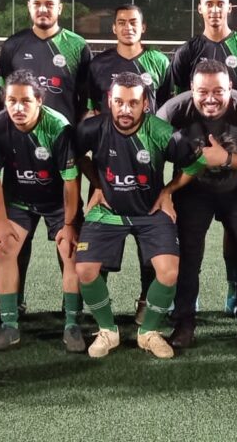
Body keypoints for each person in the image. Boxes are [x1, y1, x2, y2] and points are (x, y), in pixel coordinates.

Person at [74, 72, 204, 359]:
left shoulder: (160, 131)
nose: (125, 109)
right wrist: (97, 184)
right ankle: (107, 331)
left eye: (133, 103)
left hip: (150, 211)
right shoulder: (92, 128)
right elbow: (76, 155)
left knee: (169, 272)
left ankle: (149, 333)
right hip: (108, 211)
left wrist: (168, 190)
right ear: (109, 100)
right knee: (84, 270)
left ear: (145, 104)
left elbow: (197, 162)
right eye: (119, 102)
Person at [156, 59, 237, 349]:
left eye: (218, 91)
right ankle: (184, 321)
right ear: (191, 89)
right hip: (192, 191)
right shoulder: (172, 111)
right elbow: (150, 152)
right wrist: (164, 192)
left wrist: (227, 158)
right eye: (203, 91)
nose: (211, 98)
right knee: (188, 253)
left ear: (230, 87)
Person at [170, 0, 237, 315]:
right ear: (200, 9)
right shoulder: (187, 51)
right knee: (189, 241)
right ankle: (187, 304)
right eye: (209, 4)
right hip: (196, 157)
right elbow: (177, 103)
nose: (215, 9)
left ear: (229, 8)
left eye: (220, 4)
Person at [0, 0, 92, 313]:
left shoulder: (77, 46)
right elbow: (3, 97)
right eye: (37, 3)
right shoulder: (13, 46)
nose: (43, 9)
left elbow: (86, 103)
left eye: (49, 4)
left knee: (68, 236)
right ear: (29, 6)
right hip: (19, 158)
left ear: (59, 8)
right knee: (15, 238)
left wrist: (78, 144)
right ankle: (15, 305)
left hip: (62, 157)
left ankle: (71, 311)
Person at [0, 70, 84, 351]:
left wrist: (69, 224)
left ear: (39, 100)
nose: (18, 107)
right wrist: (1, 222)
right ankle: (9, 325)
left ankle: (72, 324)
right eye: (11, 101)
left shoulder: (58, 127)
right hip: (18, 201)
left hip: (57, 203)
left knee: (70, 251)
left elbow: (71, 182)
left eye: (26, 101)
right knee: (4, 249)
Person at [86, 3, 171, 323]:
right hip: (107, 163)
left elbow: (168, 108)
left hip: (148, 162)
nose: (127, 27)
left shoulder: (159, 62)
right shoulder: (99, 64)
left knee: (150, 236)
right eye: (121, 22)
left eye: (133, 22)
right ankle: (100, 308)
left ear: (143, 27)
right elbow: (92, 111)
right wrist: (96, 183)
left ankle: (146, 301)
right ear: (114, 28)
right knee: (100, 236)